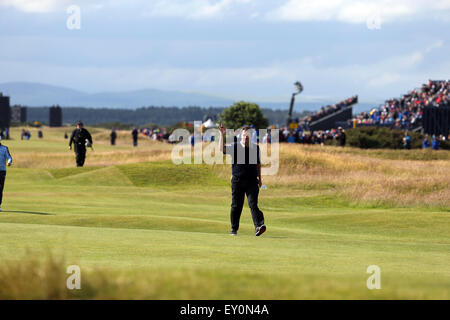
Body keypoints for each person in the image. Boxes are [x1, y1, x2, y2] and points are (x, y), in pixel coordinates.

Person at [219, 124, 266, 237]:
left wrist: (260, 179)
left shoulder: (256, 148)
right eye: (244, 135)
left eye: (248, 135)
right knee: (236, 205)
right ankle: (234, 229)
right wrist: (221, 134)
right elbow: (222, 149)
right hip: (237, 181)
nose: (246, 137)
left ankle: (259, 226)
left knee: (253, 204)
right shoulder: (235, 146)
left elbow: (258, 165)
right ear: (241, 136)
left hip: (252, 181)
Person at [0, 135, 12, 212]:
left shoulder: (4, 148)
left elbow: (10, 157)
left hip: (2, 171)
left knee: (0, 189)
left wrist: (9, 162)